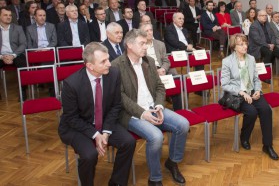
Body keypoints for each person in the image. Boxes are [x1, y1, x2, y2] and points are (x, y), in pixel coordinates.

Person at [111, 29, 189, 186]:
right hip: (131, 114)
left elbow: (160, 87)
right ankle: (155, 178)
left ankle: (172, 162)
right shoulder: (116, 66)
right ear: (129, 45)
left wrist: (159, 105)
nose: (146, 47)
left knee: (183, 125)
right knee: (156, 137)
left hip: (154, 107)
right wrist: (143, 113)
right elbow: (120, 97)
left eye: (146, 43)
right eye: (142, 43)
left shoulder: (149, 61)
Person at [58, 42, 136, 186]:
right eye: (103, 61)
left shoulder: (113, 74)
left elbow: (115, 106)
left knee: (128, 142)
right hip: (78, 126)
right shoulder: (71, 84)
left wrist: (106, 132)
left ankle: (117, 182)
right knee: (89, 156)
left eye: (108, 59)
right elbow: (72, 118)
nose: (109, 64)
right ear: (90, 66)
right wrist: (96, 134)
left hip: (104, 121)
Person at [221, 33, 279, 160]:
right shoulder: (227, 62)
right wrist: (242, 93)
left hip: (252, 90)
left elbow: (256, 79)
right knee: (252, 112)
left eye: (245, 43)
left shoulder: (251, 59)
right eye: (241, 44)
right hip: (238, 94)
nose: (245, 46)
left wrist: (258, 90)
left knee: (266, 110)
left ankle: (268, 145)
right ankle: (244, 137)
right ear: (233, 47)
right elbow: (224, 85)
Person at [140, 23, 182, 110]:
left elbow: (166, 60)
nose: (150, 33)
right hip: (149, 72)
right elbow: (141, 64)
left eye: (151, 30)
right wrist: (156, 71)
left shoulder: (160, 44)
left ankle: (179, 110)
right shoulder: (140, 46)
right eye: (146, 31)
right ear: (141, 33)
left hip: (162, 69)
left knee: (176, 79)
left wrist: (163, 69)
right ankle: (158, 108)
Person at [248, 10, 279, 83]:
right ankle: (264, 76)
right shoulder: (254, 26)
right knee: (269, 53)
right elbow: (257, 40)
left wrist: (273, 44)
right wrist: (268, 45)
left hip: (270, 45)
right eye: (262, 15)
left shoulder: (267, 24)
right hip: (258, 47)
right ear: (258, 16)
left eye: (265, 15)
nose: (265, 17)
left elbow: (273, 35)